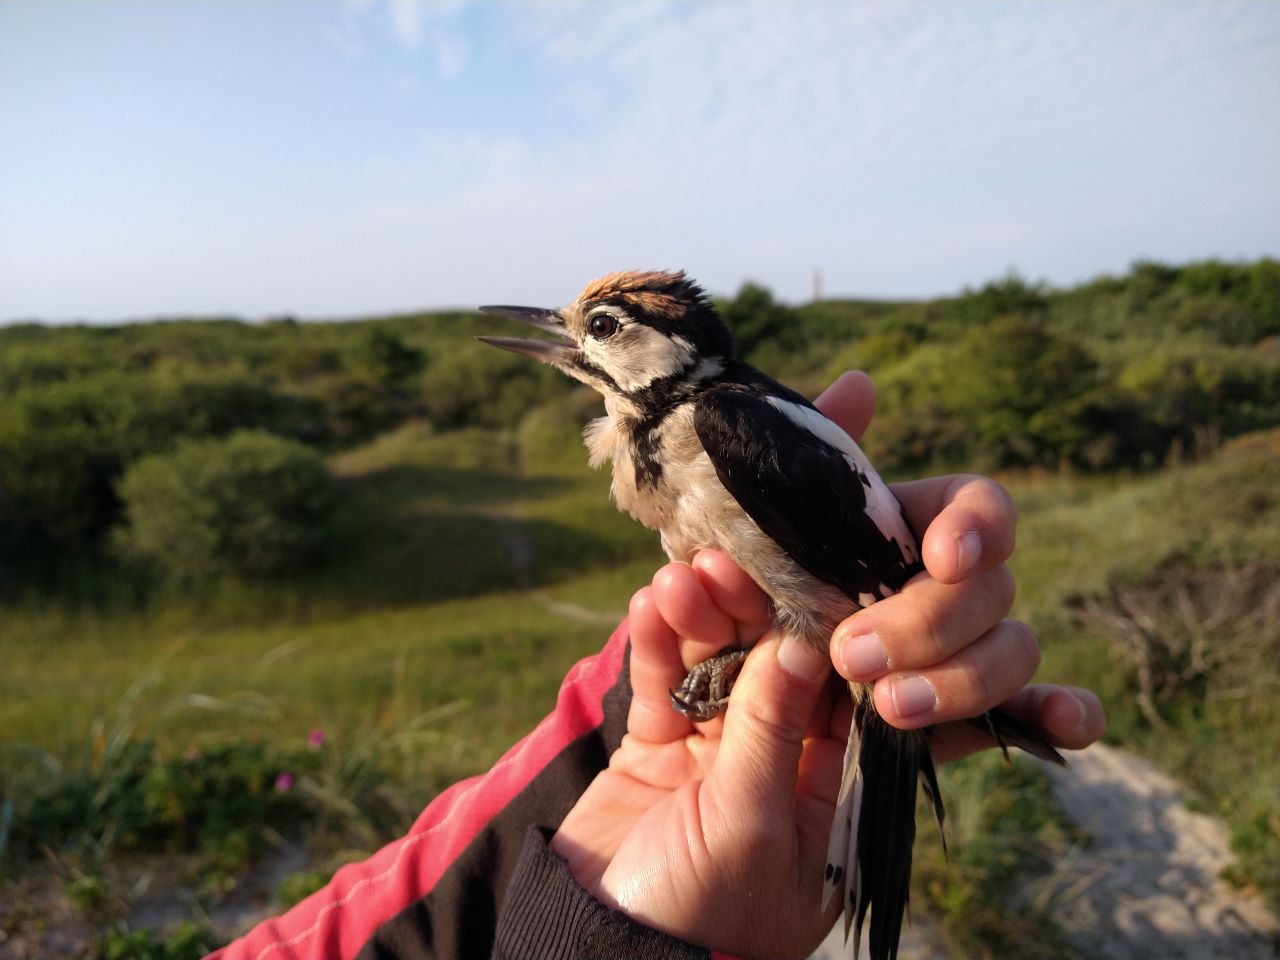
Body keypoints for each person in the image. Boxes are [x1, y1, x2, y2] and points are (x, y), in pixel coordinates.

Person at [208, 372, 1105, 960]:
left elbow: (841, 578)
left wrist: (656, 719)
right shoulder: (669, 438)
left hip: (851, 647)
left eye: (600, 329)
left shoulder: (716, 422)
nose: (572, 347)